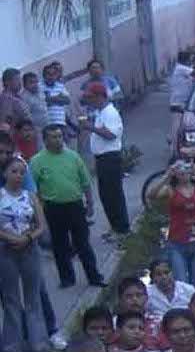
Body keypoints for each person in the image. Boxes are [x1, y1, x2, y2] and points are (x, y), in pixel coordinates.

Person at [29, 123, 102, 289]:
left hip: (75, 206)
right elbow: (33, 189)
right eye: (54, 137)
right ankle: (67, 279)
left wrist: (90, 203)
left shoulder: (73, 157)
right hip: (53, 208)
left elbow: (85, 182)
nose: (59, 140)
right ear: (45, 140)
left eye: (60, 136)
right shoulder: (37, 161)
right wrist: (37, 212)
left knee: (83, 243)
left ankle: (94, 276)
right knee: (60, 245)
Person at [0, 156, 46, 352]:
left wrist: (27, 238)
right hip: (5, 250)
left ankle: (37, 341)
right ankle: (11, 344)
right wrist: (10, 238)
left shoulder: (30, 196)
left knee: (32, 296)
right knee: (11, 298)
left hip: (29, 249)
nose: (18, 176)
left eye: (21, 172)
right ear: (5, 173)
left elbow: (41, 225)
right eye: (14, 171)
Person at [146, 159, 195, 287]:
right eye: (180, 171)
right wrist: (167, 175)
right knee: (181, 284)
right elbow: (151, 195)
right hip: (177, 243)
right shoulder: (171, 190)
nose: (183, 173)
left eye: (186, 170)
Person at [82, 81, 127, 238]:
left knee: (113, 195)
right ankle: (115, 226)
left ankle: (121, 228)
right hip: (102, 158)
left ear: (100, 96)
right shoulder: (101, 112)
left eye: (91, 97)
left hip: (110, 158)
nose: (89, 101)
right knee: (106, 195)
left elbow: (111, 134)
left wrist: (91, 127)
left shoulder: (110, 112)